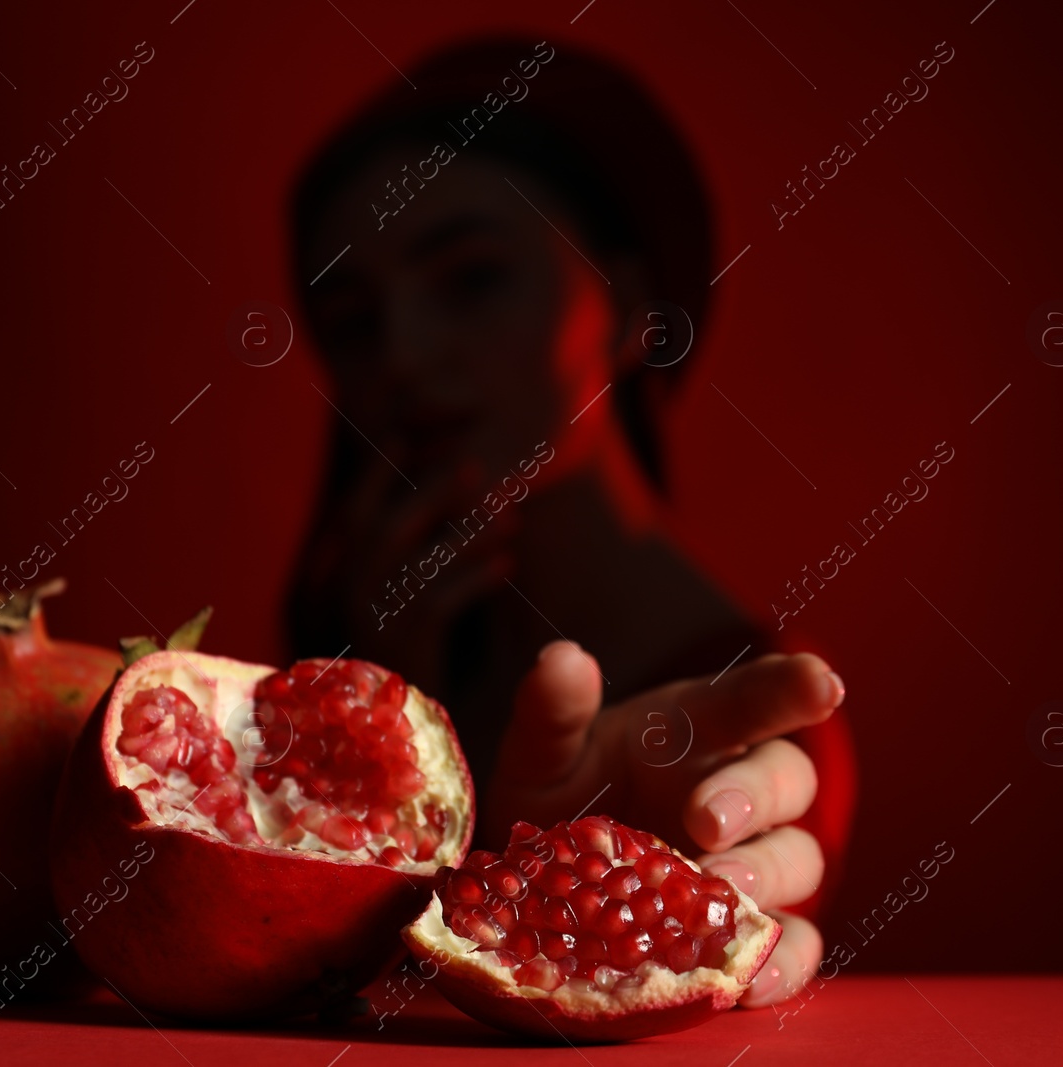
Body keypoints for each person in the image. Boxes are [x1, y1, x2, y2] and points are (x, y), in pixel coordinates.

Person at [285, 39, 855, 1009]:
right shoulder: (361, 629)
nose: (408, 357)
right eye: (353, 321)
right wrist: (376, 718)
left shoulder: (739, 702)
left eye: (469, 279)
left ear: (632, 301)